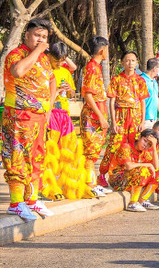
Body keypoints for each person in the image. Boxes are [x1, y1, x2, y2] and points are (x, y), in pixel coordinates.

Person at [2, 18, 56, 220]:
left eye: (44, 37)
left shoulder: (43, 59)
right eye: (37, 35)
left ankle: (31, 200)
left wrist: (49, 108)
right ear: (26, 34)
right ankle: (16, 203)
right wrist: (38, 51)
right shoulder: (16, 55)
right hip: (19, 116)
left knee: (37, 157)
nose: (40, 40)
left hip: (39, 117)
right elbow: (18, 71)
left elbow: (51, 80)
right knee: (17, 157)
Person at [99, 52, 149, 185]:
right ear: (122, 63)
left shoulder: (140, 80)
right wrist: (113, 121)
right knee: (114, 145)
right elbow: (111, 102)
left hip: (135, 117)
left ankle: (131, 172)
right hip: (120, 116)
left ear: (136, 62)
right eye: (127, 60)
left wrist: (142, 121)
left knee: (135, 144)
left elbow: (143, 102)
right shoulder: (116, 80)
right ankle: (102, 175)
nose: (130, 63)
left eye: (133, 60)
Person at [80, 36, 110, 196]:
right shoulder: (92, 67)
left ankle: (91, 183)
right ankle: (89, 184)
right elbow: (88, 95)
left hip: (96, 114)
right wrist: (100, 117)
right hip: (93, 116)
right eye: (106, 49)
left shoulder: (95, 67)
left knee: (93, 152)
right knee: (90, 152)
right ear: (101, 50)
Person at [106, 128, 159, 212]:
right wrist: (148, 165)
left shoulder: (144, 152)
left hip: (131, 180)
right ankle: (132, 203)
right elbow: (128, 166)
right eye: (145, 141)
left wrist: (154, 148)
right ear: (139, 137)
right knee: (142, 170)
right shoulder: (126, 147)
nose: (146, 145)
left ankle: (142, 201)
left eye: (149, 144)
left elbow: (156, 167)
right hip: (117, 180)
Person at [46, 41, 76, 147]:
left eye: (61, 61)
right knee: (51, 146)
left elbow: (72, 95)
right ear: (49, 56)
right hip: (50, 113)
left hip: (64, 112)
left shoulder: (65, 72)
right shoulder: (45, 71)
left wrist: (69, 90)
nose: (58, 64)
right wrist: (56, 90)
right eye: (56, 61)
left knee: (66, 146)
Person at [140, 57, 159, 129]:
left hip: (153, 119)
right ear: (154, 69)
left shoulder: (154, 81)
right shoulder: (142, 80)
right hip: (145, 118)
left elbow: (155, 98)